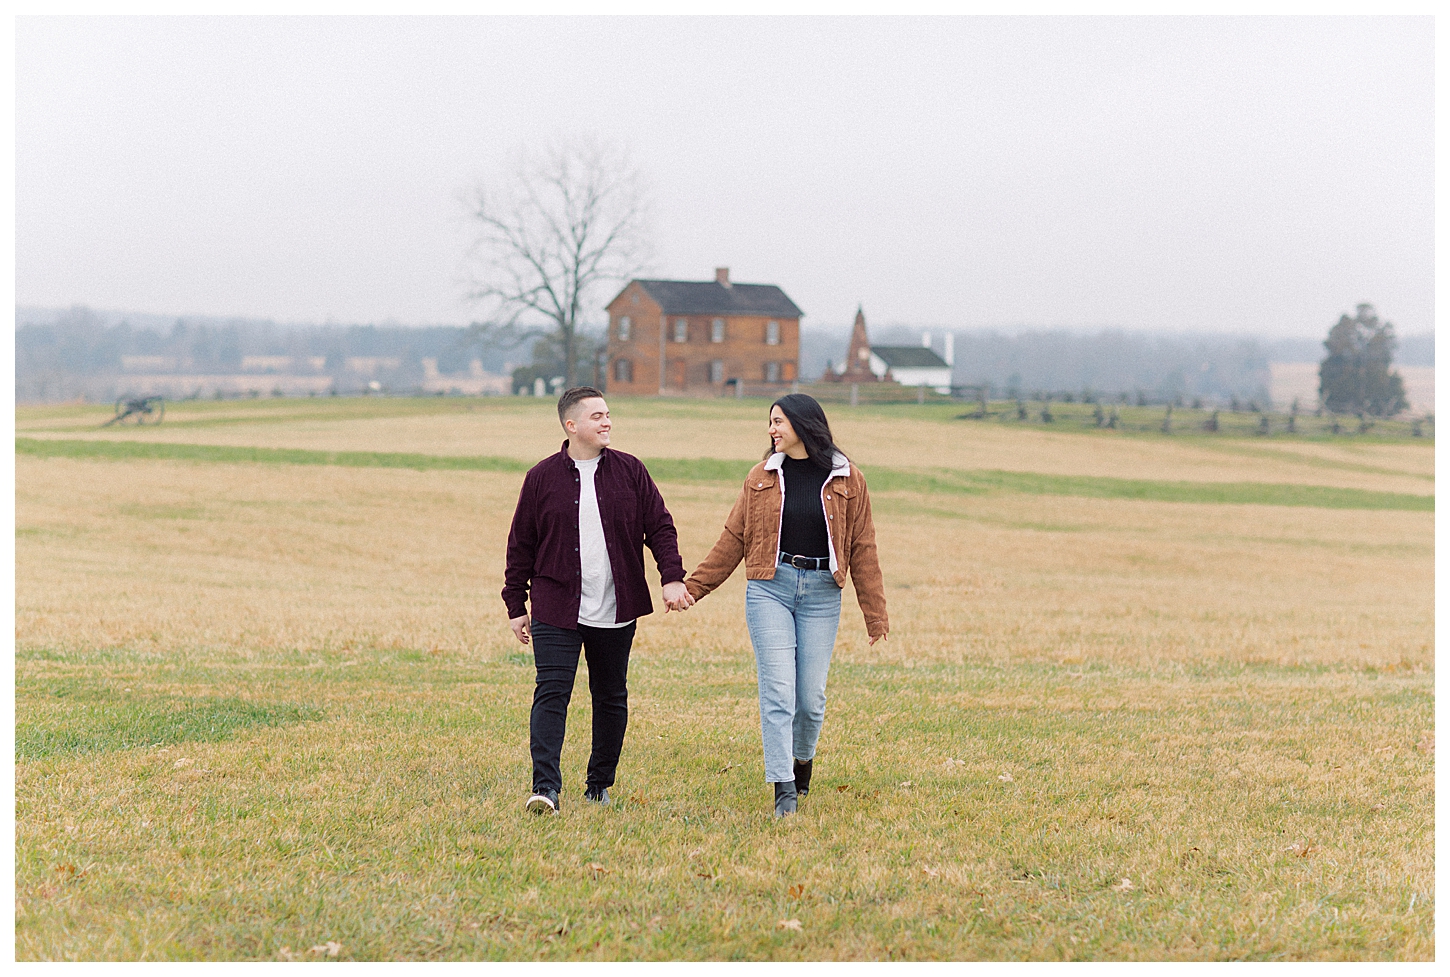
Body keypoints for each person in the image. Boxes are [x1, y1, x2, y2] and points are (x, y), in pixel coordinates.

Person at [683, 394, 887, 818]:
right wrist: (694, 588)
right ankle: (783, 788)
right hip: (769, 588)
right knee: (778, 691)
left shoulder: (849, 479)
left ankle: (802, 760)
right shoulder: (761, 477)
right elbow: (733, 539)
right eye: (770, 422)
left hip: (821, 594)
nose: (772, 429)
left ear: (803, 425)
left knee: (810, 698)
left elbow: (862, 547)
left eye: (778, 422)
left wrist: (875, 614)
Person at [503, 386, 693, 815]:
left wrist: (672, 577)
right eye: (597, 416)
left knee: (610, 696)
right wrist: (516, 605)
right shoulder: (541, 478)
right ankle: (546, 788)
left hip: (616, 607)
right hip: (556, 607)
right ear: (571, 426)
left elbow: (660, 528)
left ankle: (598, 783)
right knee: (552, 693)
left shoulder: (631, 471)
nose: (607, 422)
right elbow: (521, 545)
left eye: (608, 415)